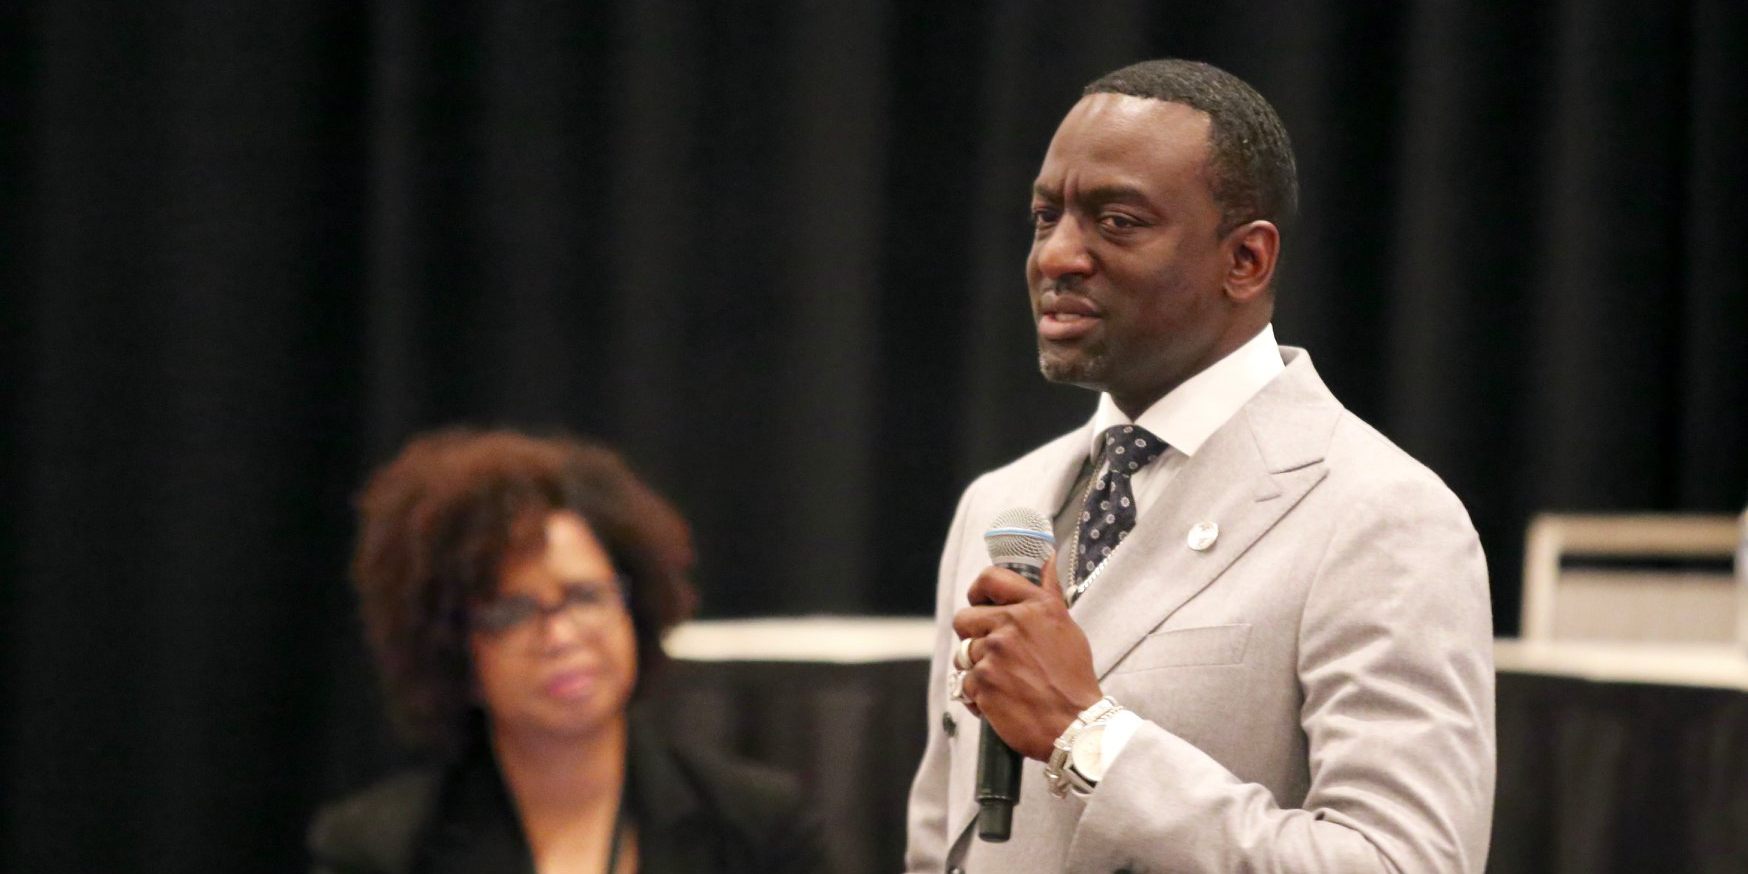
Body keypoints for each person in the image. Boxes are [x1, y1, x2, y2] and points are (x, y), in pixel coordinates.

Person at [904, 59, 1494, 873]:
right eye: (1046, 217)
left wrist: (1089, 734)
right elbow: (945, 841)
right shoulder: (999, 508)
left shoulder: (1382, 515)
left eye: (1117, 221)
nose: (1058, 257)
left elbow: (1402, 862)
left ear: (1246, 261)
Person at [308, 429, 827, 873]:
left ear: (634, 607)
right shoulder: (382, 852)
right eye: (512, 612)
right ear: (457, 652)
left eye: (585, 596)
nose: (561, 636)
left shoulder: (759, 829)